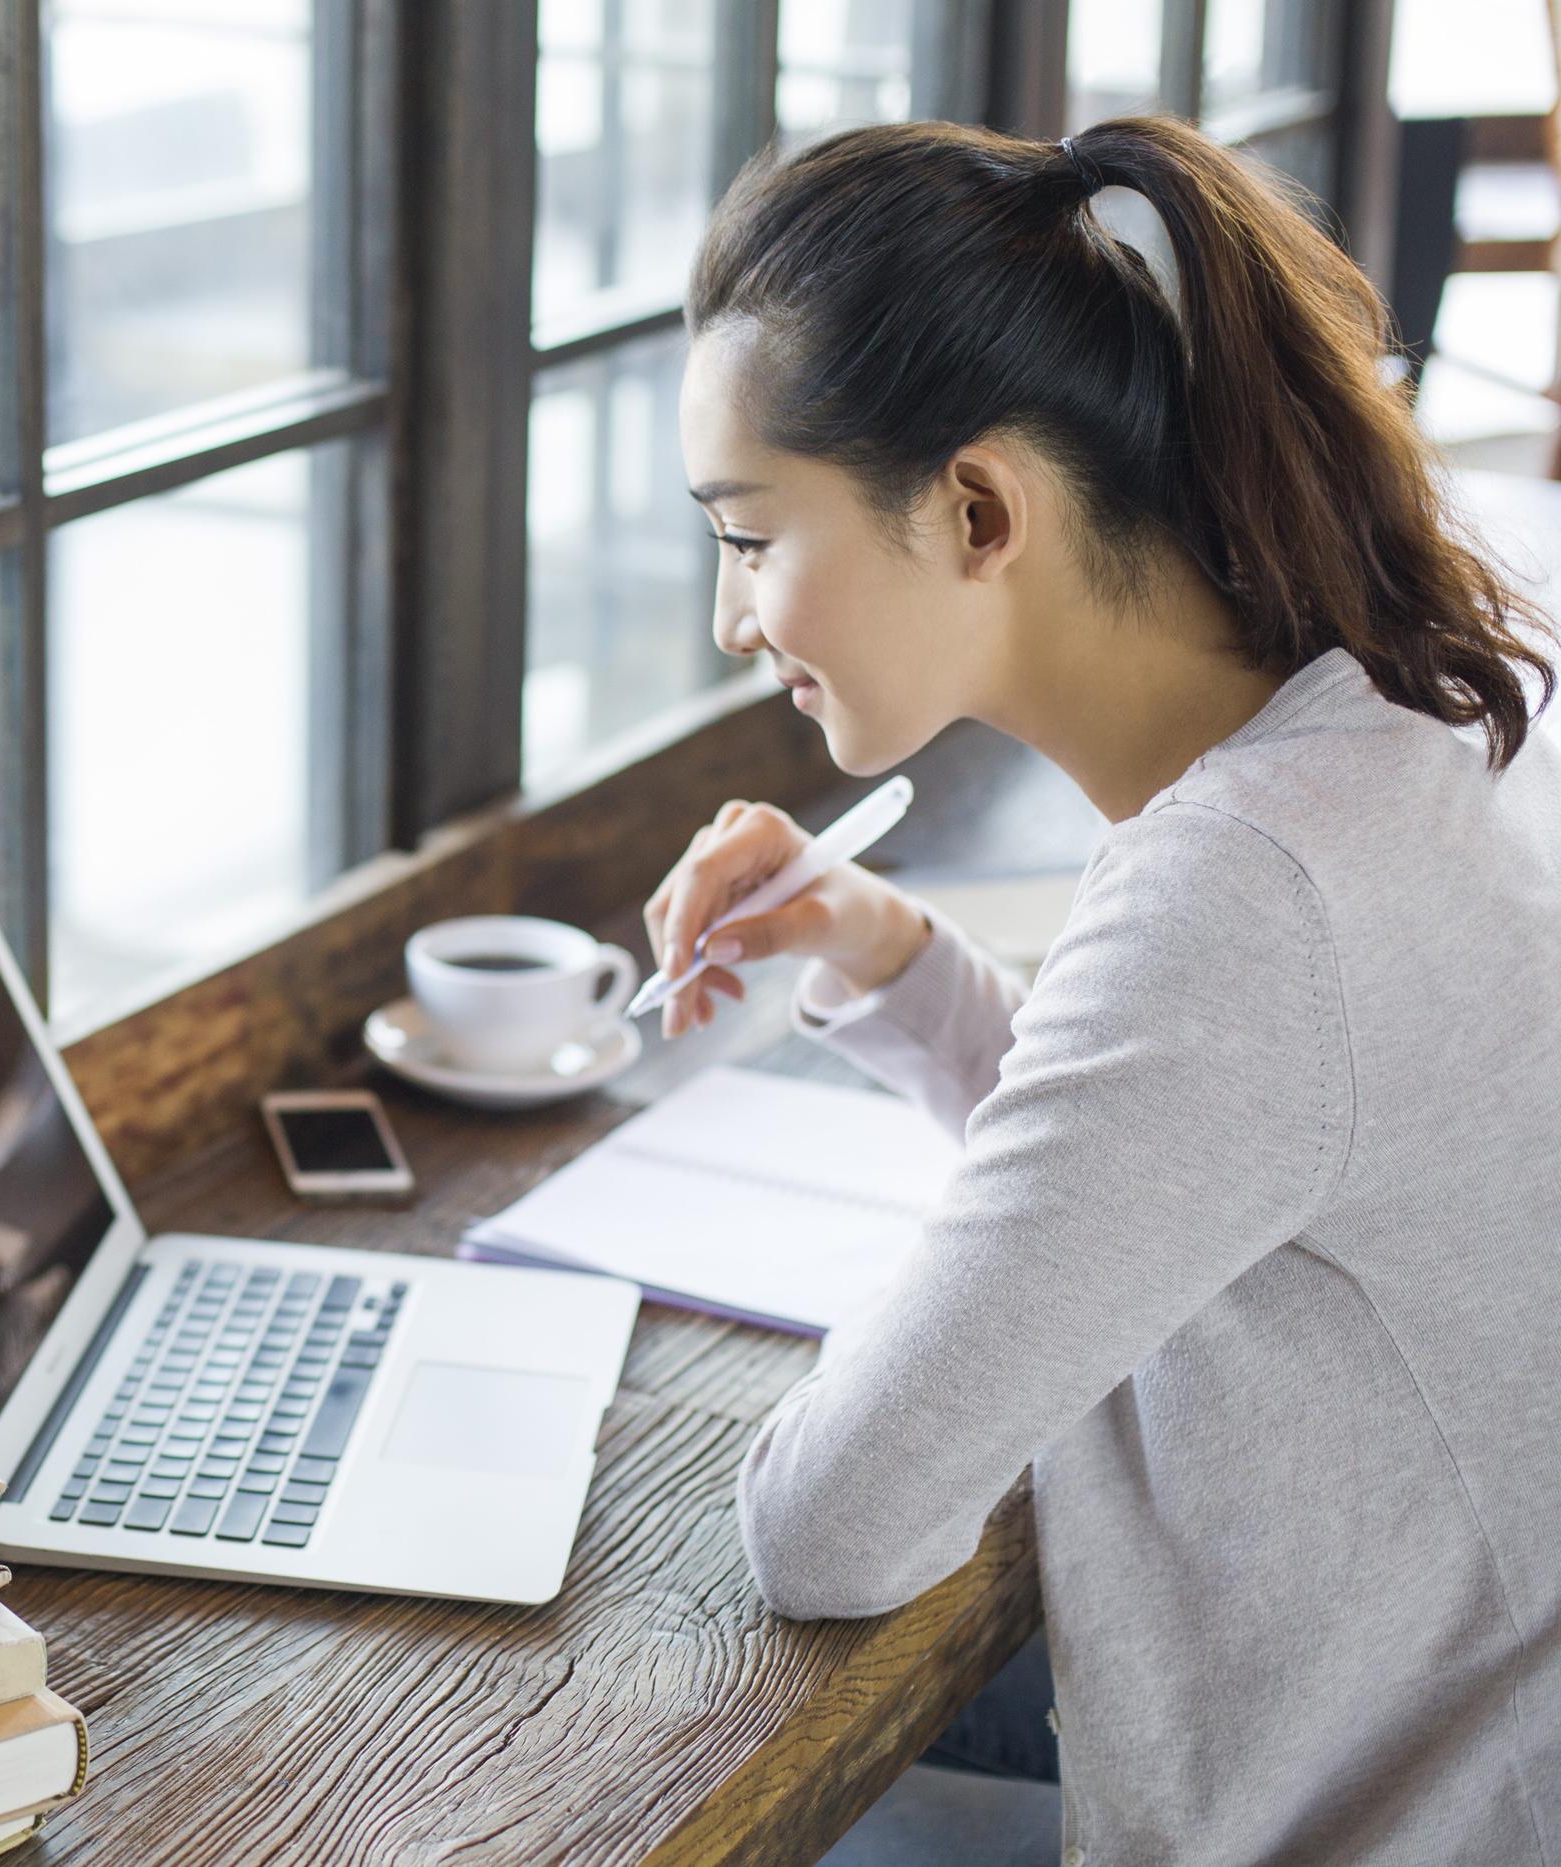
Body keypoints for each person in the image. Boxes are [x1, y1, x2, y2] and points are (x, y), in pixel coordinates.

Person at [642, 115, 1561, 1865]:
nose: (730, 620)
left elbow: (832, 1524)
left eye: (752, 539)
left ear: (980, 508)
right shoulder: (1401, 701)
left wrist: (936, 1323)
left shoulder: (1250, 889)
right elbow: (1213, 1146)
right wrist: (892, 957)